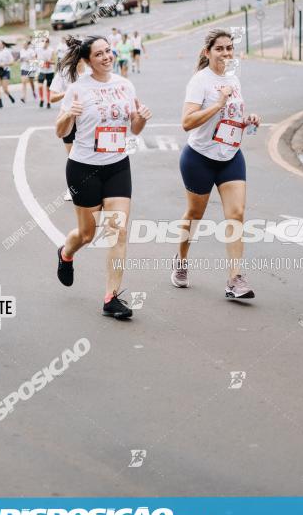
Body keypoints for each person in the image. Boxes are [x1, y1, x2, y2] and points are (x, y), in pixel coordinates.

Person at [55, 35, 152, 320]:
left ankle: (111, 297)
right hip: (84, 168)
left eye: (108, 51)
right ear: (87, 60)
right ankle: (66, 253)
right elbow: (60, 131)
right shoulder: (77, 89)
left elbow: (134, 129)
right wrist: (68, 115)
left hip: (117, 165)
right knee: (87, 233)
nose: (107, 57)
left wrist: (142, 117)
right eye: (99, 54)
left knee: (118, 231)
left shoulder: (125, 85)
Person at [172, 28, 261, 300]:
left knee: (236, 215)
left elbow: (232, 116)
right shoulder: (200, 81)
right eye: (219, 48)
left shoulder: (233, 79)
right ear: (207, 52)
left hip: (230, 156)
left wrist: (247, 120)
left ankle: (235, 279)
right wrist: (219, 102)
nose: (225, 53)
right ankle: (181, 260)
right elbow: (187, 122)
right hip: (199, 157)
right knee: (195, 215)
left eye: (229, 48)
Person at [50, 36, 92, 201]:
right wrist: (68, 93)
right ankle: (72, 188)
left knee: (90, 153)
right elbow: (52, 98)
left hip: (89, 119)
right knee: (73, 156)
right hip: (69, 118)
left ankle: (92, 185)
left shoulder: (92, 72)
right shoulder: (65, 73)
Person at [0, 40, 15, 109]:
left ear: (3, 45)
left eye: (0, 44)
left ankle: (9, 96)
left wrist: (4, 64)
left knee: (5, 89)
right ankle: (0, 103)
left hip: (5, 71)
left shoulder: (7, 52)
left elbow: (12, 62)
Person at [37, 36, 56, 108]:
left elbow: (54, 62)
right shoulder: (38, 50)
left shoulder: (51, 50)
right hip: (42, 71)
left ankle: (48, 102)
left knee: (48, 88)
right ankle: (42, 99)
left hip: (49, 71)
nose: (44, 43)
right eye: (43, 42)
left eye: (46, 42)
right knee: (40, 86)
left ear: (48, 43)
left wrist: (49, 62)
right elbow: (35, 59)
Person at [19, 38, 37, 103]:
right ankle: (23, 97)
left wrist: (29, 60)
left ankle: (33, 92)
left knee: (31, 82)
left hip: (31, 68)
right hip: (24, 68)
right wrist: (20, 60)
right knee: (24, 82)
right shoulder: (21, 51)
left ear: (27, 45)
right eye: (23, 44)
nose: (24, 45)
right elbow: (21, 59)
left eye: (25, 44)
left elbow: (34, 59)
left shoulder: (31, 51)